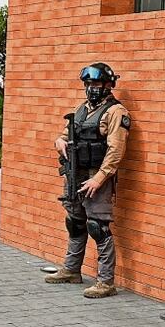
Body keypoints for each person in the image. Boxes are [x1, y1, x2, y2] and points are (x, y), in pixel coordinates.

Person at [46, 62, 130, 299]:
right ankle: (72, 270)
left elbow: (116, 150)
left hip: (97, 176)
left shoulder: (116, 112)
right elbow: (64, 135)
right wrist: (59, 142)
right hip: (75, 173)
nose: (92, 88)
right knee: (75, 222)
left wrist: (99, 179)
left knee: (98, 227)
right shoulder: (81, 109)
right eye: (88, 84)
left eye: (96, 84)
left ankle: (106, 282)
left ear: (108, 85)